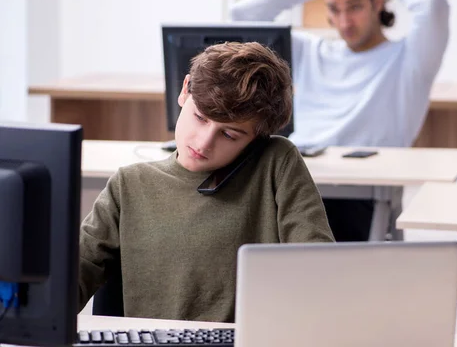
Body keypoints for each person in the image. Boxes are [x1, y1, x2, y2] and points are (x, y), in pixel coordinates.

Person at [78, 42, 334, 322]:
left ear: (256, 138)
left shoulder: (276, 163)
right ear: (185, 89)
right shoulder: (128, 185)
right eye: (199, 117)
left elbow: (317, 271)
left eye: (229, 135)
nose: (203, 142)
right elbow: (72, 279)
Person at [230, 0, 450, 242]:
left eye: (355, 6)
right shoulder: (310, 51)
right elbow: (242, 17)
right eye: (334, 8)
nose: (344, 21)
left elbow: (432, 3)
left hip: (363, 192)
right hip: (298, 178)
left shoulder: (410, 60)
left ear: (378, 0)